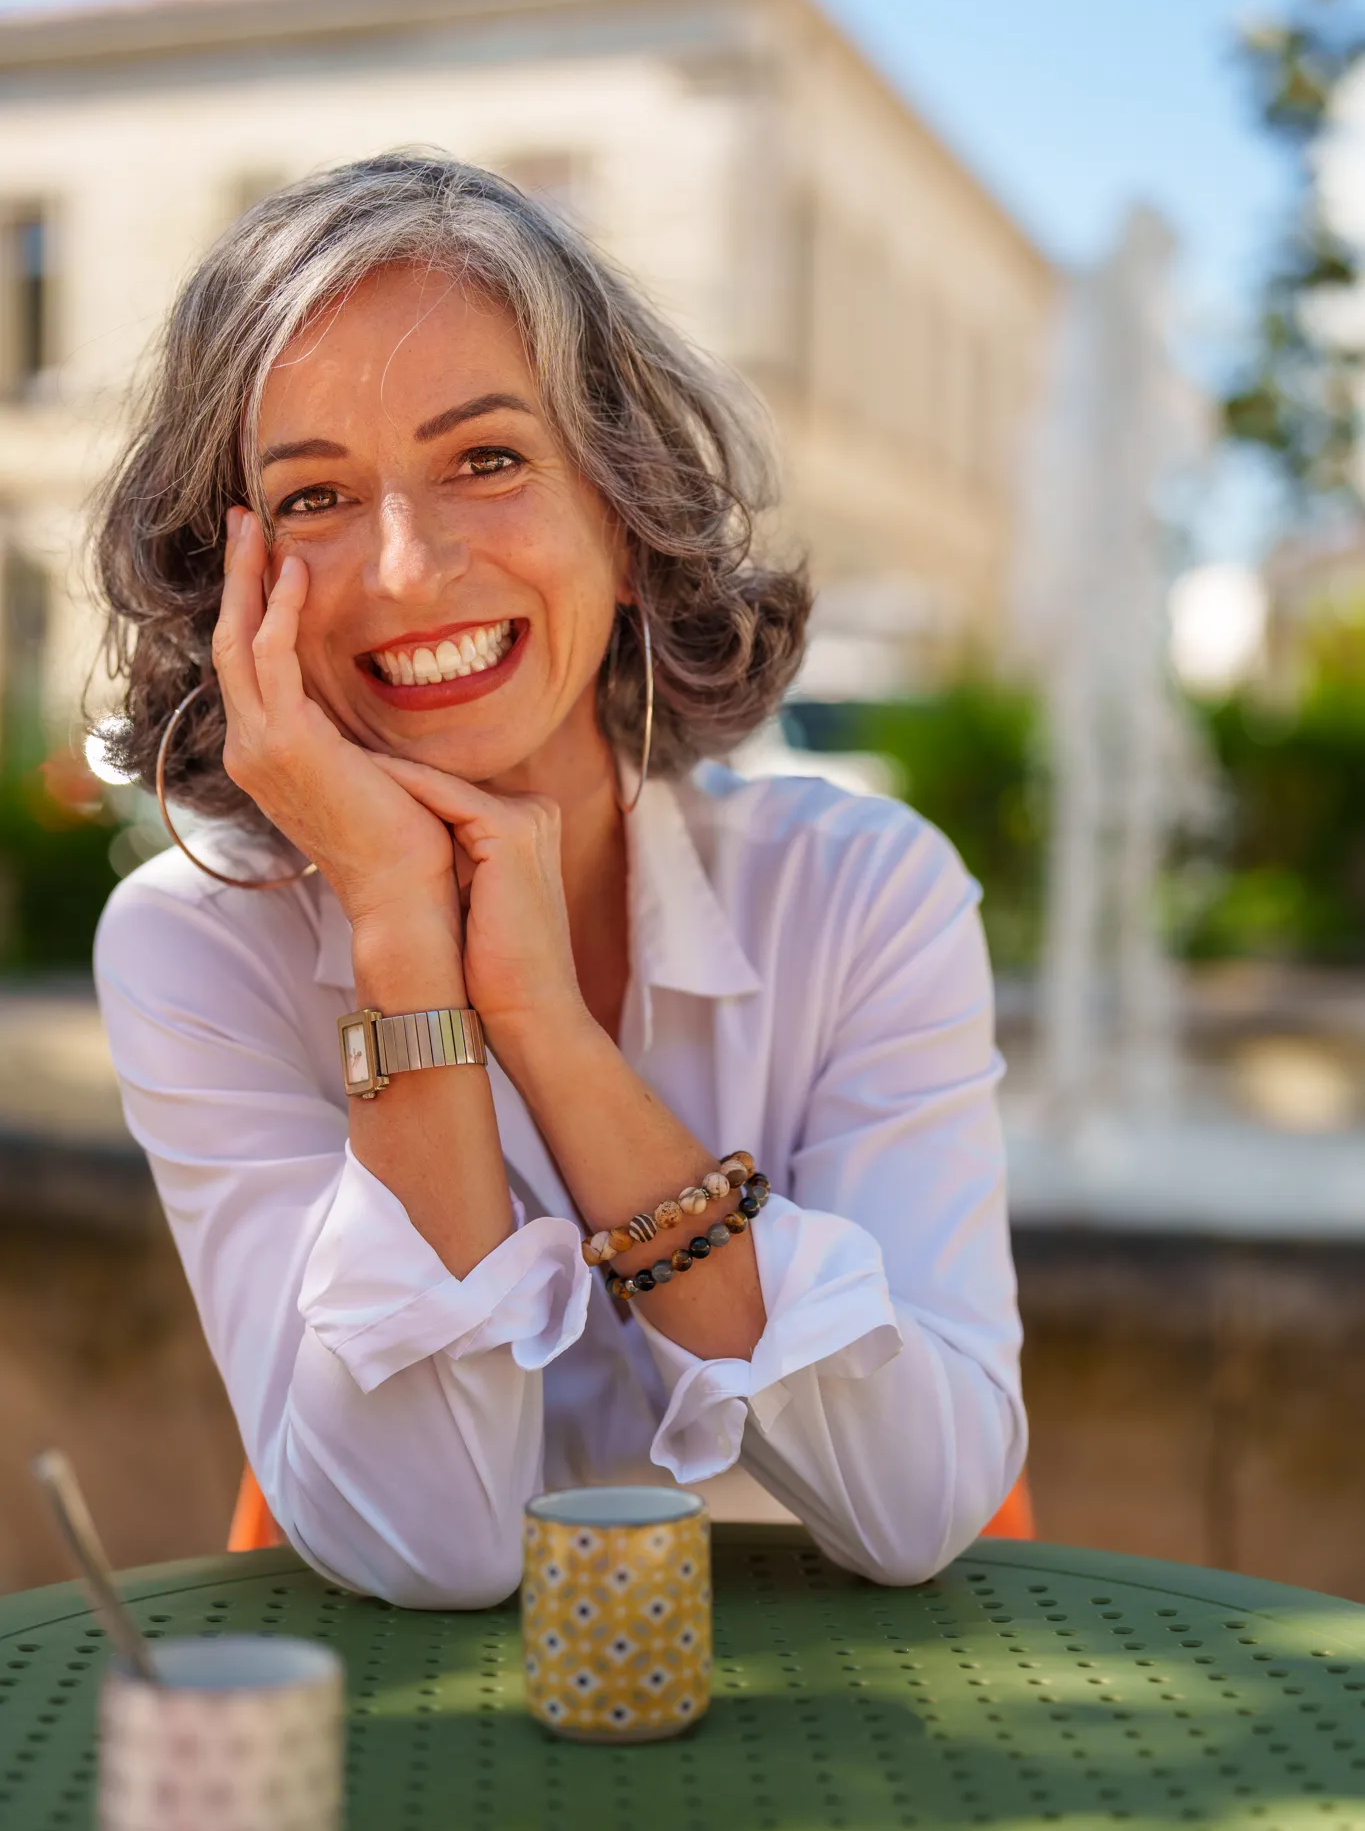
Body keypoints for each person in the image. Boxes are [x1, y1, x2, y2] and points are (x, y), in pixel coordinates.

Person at [92, 152, 1025, 1609]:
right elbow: (434, 1545)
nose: (407, 570)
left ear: (631, 518)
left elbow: (917, 1504)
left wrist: (549, 1033)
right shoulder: (196, 946)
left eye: (487, 459)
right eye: (317, 496)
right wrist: (407, 933)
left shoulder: (863, 898)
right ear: (240, 598)